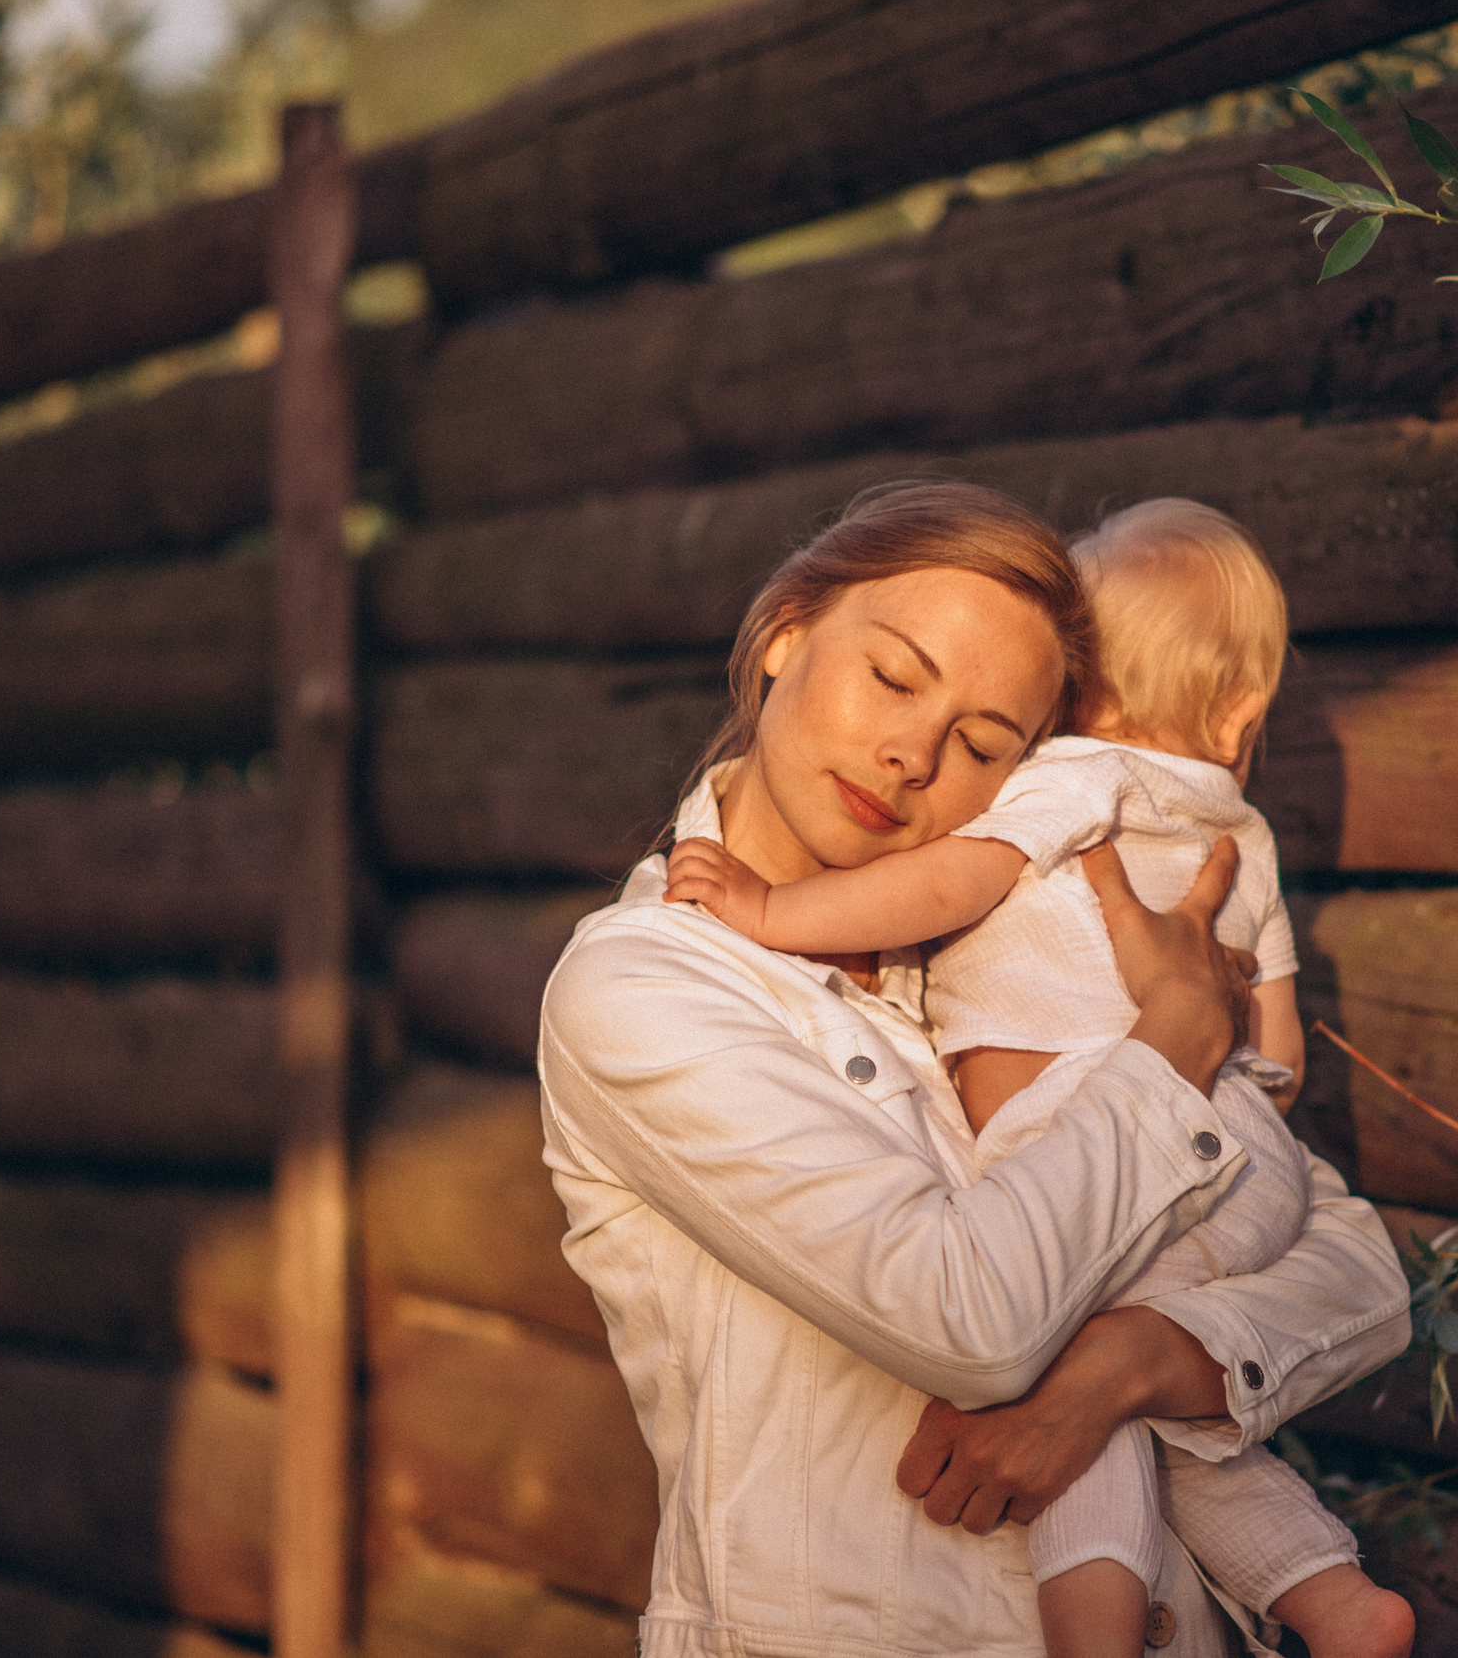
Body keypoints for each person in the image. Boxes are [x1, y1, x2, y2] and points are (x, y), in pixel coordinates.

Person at [537, 481, 1411, 1658]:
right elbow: (968, 1318)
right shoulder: (648, 985)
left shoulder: (1025, 953)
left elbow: (1361, 1274)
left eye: (984, 744)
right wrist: (1172, 1038)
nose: (909, 753)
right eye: (893, 678)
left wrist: (1123, 1370)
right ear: (787, 630)